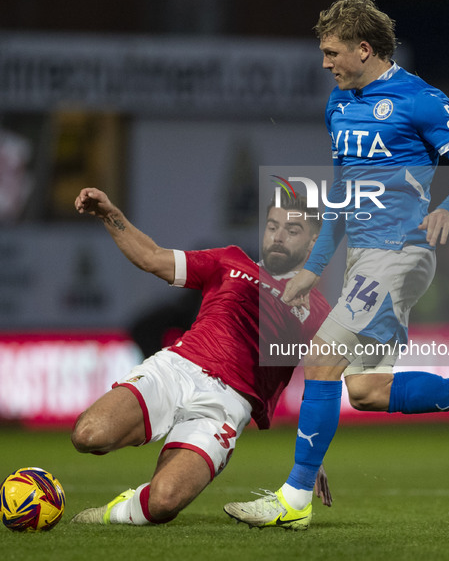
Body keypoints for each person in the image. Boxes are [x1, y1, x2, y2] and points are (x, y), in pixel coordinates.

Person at [223, 0, 449, 531]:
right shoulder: (338, 105)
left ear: (364, 49)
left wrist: (447, 208)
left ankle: (293, 501)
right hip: (363, 257)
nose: (325, 64)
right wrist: (314, 267)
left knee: (322, 357)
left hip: (401, 253)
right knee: (367, 391)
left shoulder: (420, 99)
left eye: (332, 53)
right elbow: (347, 195)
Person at [69, 186, 333, 526]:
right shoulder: (230, 261)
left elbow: (323, 381)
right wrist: (109, 213)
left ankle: (114, 512)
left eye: (292, 230)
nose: (279, 236)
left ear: (313, 243)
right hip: (177, 369)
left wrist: (312, 457)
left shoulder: (319, 314)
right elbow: (151, 256)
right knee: (88, 435)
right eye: (273, 226)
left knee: (164, 502)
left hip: (226, 407)